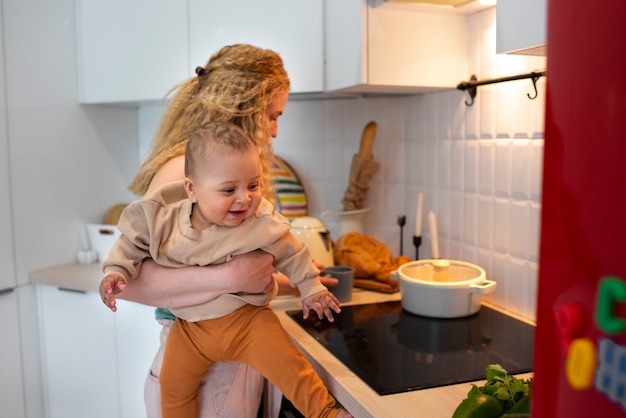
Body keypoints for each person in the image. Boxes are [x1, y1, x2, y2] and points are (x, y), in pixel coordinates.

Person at [99, 43, 339, 418]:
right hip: (205, 371)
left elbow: (207, 262)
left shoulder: (228, 178)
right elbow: (134, 281)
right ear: (244, 107)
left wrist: (295, 282)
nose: (275, 131)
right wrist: (232, 275)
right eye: (272, 116)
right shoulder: (182, 174)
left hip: (229, 359)